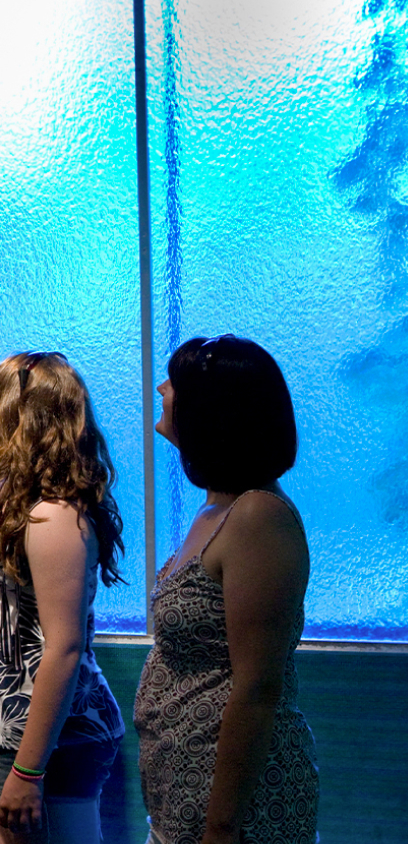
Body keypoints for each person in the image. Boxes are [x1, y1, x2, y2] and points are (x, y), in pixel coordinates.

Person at [0, 352, 126, 844]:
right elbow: (26, 598)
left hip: (50, 738)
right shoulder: (21, 496)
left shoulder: (56, 515)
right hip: (9, 725)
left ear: (21, 415)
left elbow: (63, 647)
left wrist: (30, 770)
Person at [135, 336, 317, 844]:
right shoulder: (218, 508)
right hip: (184, 803)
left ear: (214, 412)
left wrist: (222, 825)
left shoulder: (259, 516)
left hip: (239, 813)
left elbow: (258, 687)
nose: (162, 388)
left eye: (177, 382)